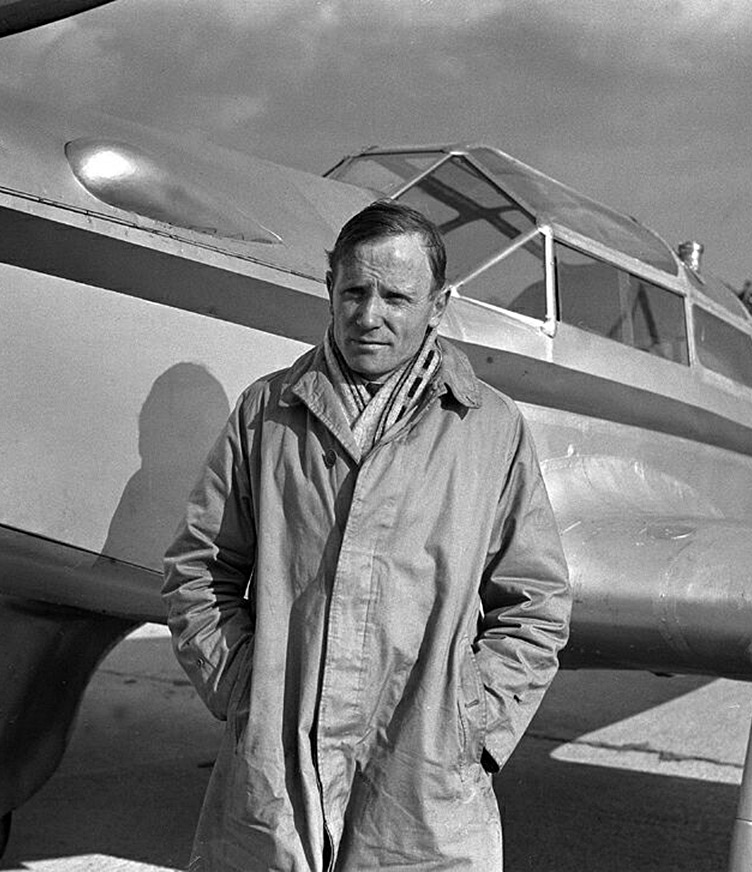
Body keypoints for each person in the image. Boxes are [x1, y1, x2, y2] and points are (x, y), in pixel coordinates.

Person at [163, 200, 571, 871]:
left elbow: (537, 603)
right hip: (277, 770)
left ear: (438, 306)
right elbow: (197, 571)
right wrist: (244, 693)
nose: (369, 315)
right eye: (354, 291)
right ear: (330, 289)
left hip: (422, 781)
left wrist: (471, 723)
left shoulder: (490, 430)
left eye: (396, 296)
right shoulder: (266, 414)